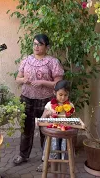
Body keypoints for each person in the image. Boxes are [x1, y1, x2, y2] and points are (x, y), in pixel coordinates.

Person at [13, 34, 65, 165]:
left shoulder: (53, 62)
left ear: (46, 47)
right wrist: (23, 80)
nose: (36, 47)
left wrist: (42, 82)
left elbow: (58, 83)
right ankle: (23, 155)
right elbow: (17, 79)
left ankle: (45, 159)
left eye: (39, 44)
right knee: (26, 129)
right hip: (27, 99)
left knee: (45, 130)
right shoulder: (26, 60)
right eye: (34, 44)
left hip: (46, 100)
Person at [36, 80, 75, 173]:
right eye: (60, 94)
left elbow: (72, 121)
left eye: (65, 95)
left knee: (64, 157)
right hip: (53, 135)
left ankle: (63, 175)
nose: (63, 97)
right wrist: (48, 113)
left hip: (65, 134)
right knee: (53, 155)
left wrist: (69, 114)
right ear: (55, 93)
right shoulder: (49, 105)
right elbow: (41, 119)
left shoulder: (70, 105)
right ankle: (54, 175)